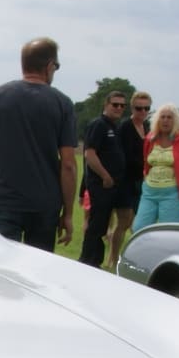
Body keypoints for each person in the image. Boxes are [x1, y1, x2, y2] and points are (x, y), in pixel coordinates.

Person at [0, 37, 78, 251]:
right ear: (49, 66)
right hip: (45, 204)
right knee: (37, 272)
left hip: (6, 200)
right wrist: (69, 213)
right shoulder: (62, 103)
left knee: (3, 268)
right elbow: (68, 165)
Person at [130, 103, 179, 232]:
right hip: (149, 191)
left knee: (168, 232)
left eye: (169, 117)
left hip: (173, 193)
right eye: (162, 117)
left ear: (176, 120)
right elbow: (147, 161)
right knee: (138, 228)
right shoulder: (150, 138)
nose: (165, 121)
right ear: (157, 119)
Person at [78, 90, 127, 267]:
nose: (119, 108)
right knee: (96, 226)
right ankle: (88, 260)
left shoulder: (115, 127)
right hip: (100, 185)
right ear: (106, 104)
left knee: (103, 224)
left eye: (122, 105)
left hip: (113, 187)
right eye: (115, 104)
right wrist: (105, 176)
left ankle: (95, 260)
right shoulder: (98, 125)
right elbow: (89, 154)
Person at [105, 90, 151, 268]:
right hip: (125, 181)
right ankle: (113, 257)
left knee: (137, 222)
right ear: (132, 108)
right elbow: (122, 156)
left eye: (146, 108)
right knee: (125, 221)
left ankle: (133, 258)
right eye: (139, 108)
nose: (143, 112)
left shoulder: (148, 129)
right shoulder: (125, 127)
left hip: (141, 182)